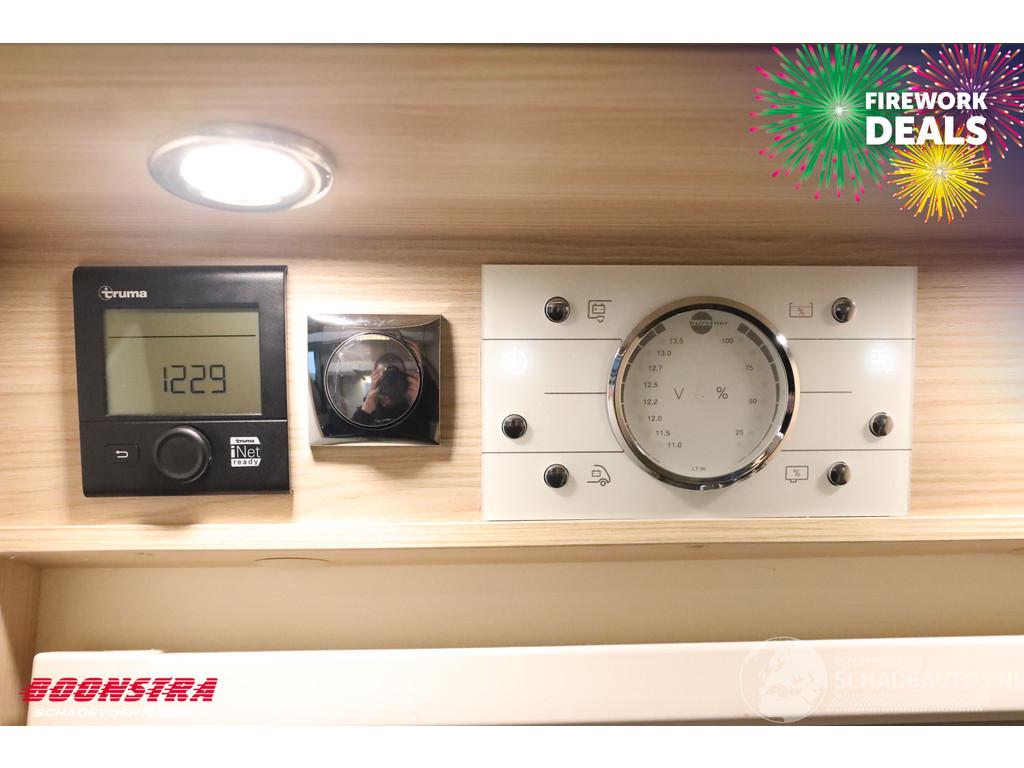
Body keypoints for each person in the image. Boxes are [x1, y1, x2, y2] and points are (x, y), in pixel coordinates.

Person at [350, 352, 421, 427]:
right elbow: (352, 432)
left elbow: (423, 431)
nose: (390, 383)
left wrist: (415, 403)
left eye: (395, 377)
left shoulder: (412, 407)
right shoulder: (366, 409)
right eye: (385, 377)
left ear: (405, 379)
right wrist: (366, 409)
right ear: (375, 379)